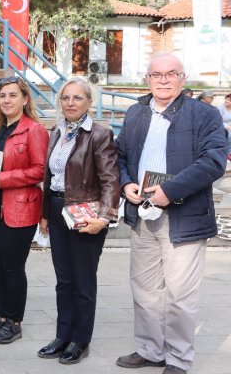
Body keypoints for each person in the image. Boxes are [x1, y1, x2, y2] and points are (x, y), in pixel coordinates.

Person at [115, 53, 226, 374]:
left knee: (179, 296)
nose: (163, 80)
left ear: (182, 77)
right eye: (156, 75)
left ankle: (178, 358)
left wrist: (170, 191)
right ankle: (151, 349)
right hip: (142, 213)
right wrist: (126, 185)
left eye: (170, 74)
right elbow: (120, 156)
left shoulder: (204, 114)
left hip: (184, 217)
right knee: (145, 289)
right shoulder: (135, 113)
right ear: (147, 79)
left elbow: (214, 162)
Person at [37, 78, 120, 364]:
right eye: (65, 98)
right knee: (64, 280)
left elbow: (110, 179)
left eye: (77, 98)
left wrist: (105, 217)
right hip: (58, 208)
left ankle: (80, 340)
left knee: (83, 281)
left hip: (86, 213)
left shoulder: (99, 134)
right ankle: (63, 336)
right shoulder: (56, 132)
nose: (70, 103)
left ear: (89, 102)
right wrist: (46, 213)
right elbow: (50, 178)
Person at [0, 76, 48, 345]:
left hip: (19, 209)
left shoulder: (34, 130)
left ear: (25, 99)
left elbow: (40, 171)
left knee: (13, 268)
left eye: (13, 95)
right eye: (3, 95)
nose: (7, 100)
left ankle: (14, 321)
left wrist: (4, 179)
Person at [220, 93, 231, 158]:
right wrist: (228, 127)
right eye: (227, 99)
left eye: (230, 100)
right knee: (230, 135)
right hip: (221, 126)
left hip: (229, 127)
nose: (227, 101)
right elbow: (218, 120)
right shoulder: (220, 108)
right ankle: (228, 153)